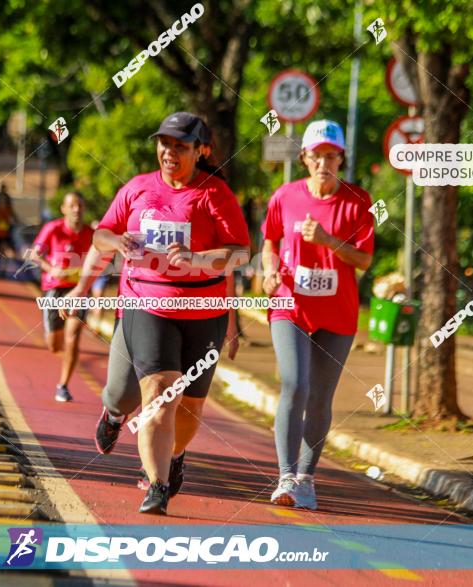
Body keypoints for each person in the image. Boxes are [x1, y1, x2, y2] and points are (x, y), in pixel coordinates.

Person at [91, 112, 250, 515]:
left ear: (201, 151)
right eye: (164, 143)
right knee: (155, 392)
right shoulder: (137, 188)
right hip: (146, 303)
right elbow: (101, 233)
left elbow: (240, 253)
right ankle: (157, 485)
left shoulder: (215, 194)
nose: (169, 152)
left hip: (202, 310)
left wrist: (197, 259)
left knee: (191, 403)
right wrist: (117, 240)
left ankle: (175, 455)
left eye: (180, 145)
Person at [260, 120, 374, 509]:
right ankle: (285, 476)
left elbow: (364, 259)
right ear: (305, 158)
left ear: (341, 159)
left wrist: (328, 240)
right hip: (290, 304)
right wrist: (268, 270)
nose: (323, 162)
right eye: (316, 155)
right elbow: (270, 240)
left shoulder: (358, 201)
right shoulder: (285, 196)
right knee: (295, 384)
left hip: (337, 311)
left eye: (331, 155)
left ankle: (307, 478)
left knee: (322, 396)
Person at [29, 192, 94, 402]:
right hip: (54, 289)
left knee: (73, 337)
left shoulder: (91, 233)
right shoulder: (53, 229)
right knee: (54, 345)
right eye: (72, 205)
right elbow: (34, 254)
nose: (77, 209)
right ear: (64, 209)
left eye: (80, 205)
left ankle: (63, 385)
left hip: (78, 290)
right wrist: (51, 269)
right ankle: (63, 352)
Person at [0, 185, 19, 276]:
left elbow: (14, 216)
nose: (3, 202)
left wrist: (15, 222)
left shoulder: (8, 209)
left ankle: (3, 269)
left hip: (6, 233)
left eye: (4, 201)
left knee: (6, 250)